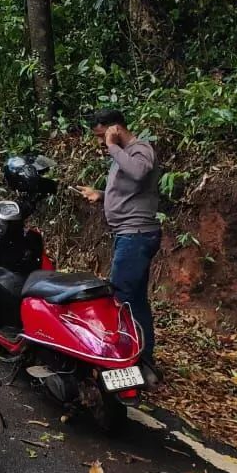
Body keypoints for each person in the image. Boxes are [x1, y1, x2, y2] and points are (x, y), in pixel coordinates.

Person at [75, 108, 162, 370]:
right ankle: (143, 358)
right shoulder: (123, 154)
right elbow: (130, 190)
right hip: (130, 234)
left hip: (136, 235)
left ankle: (123, 360)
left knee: (119, 297)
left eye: (102, 135)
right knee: (135, 299)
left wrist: (112, 146)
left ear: (115, 128)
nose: (101, 141)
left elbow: (139, 172)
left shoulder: (140, 149)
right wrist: (100, 195)